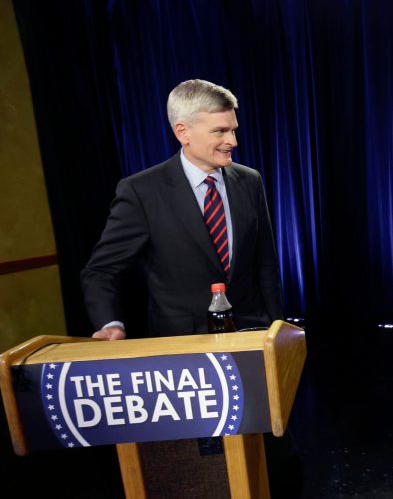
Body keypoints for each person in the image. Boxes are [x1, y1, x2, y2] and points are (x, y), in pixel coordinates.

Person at [81, 79, 300, 497]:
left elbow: (265, 265)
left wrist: (277, 332)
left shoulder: (248, 180)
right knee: (204, 473)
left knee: (275, 465)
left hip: (251, 347)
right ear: (183, 131)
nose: (232, 140)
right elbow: (100, 271)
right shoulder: (141, 191)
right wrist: (109, 323)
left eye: (233, 129)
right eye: (220, 131)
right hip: (182, 361)